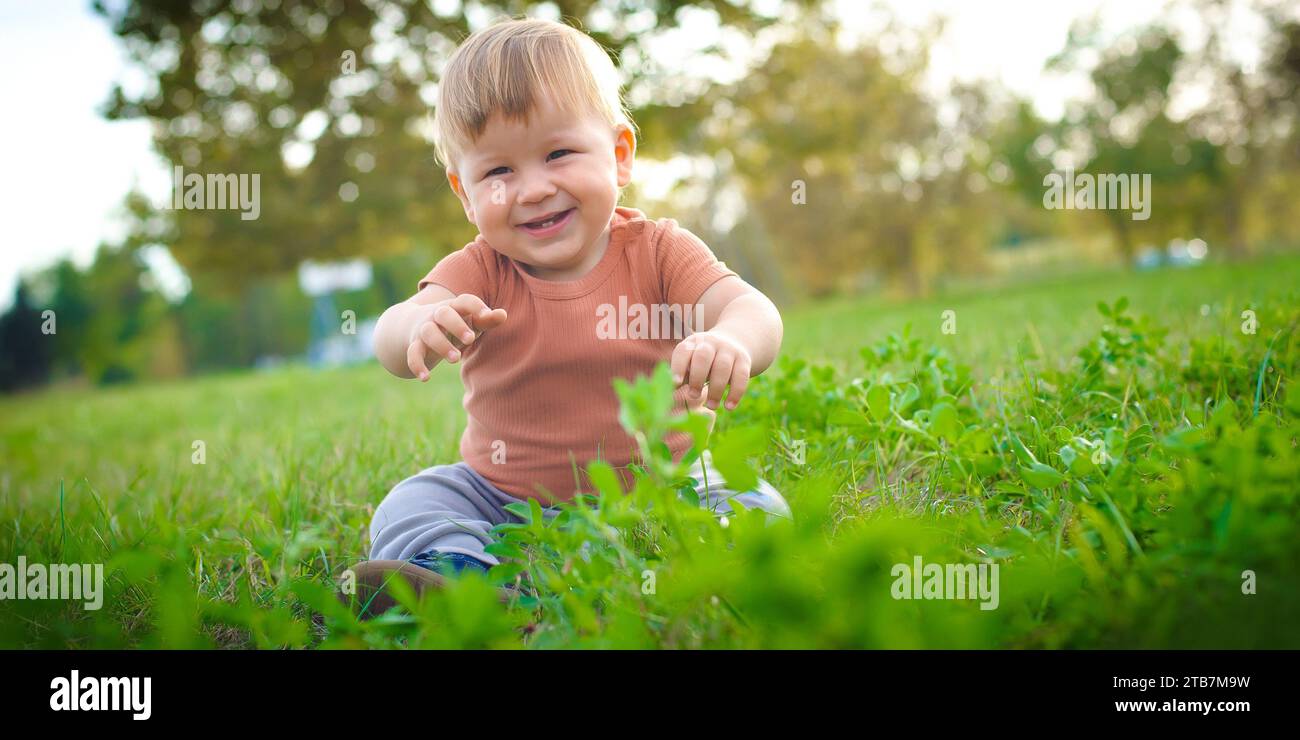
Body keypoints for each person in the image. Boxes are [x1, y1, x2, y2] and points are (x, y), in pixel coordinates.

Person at [347, 16, 790, 617]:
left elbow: (749, 307)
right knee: (413, 501)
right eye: (498, 171)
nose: (531, 189)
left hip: (662, 485)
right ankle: (468, 589)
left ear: (619, 154)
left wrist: (730, 339)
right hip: (504, 497)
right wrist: (418, 328)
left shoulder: (660, 250)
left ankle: (721, 569)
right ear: (464, 192)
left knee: (749, 500)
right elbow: (391, 332)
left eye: (558, 153)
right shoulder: (480, 269)